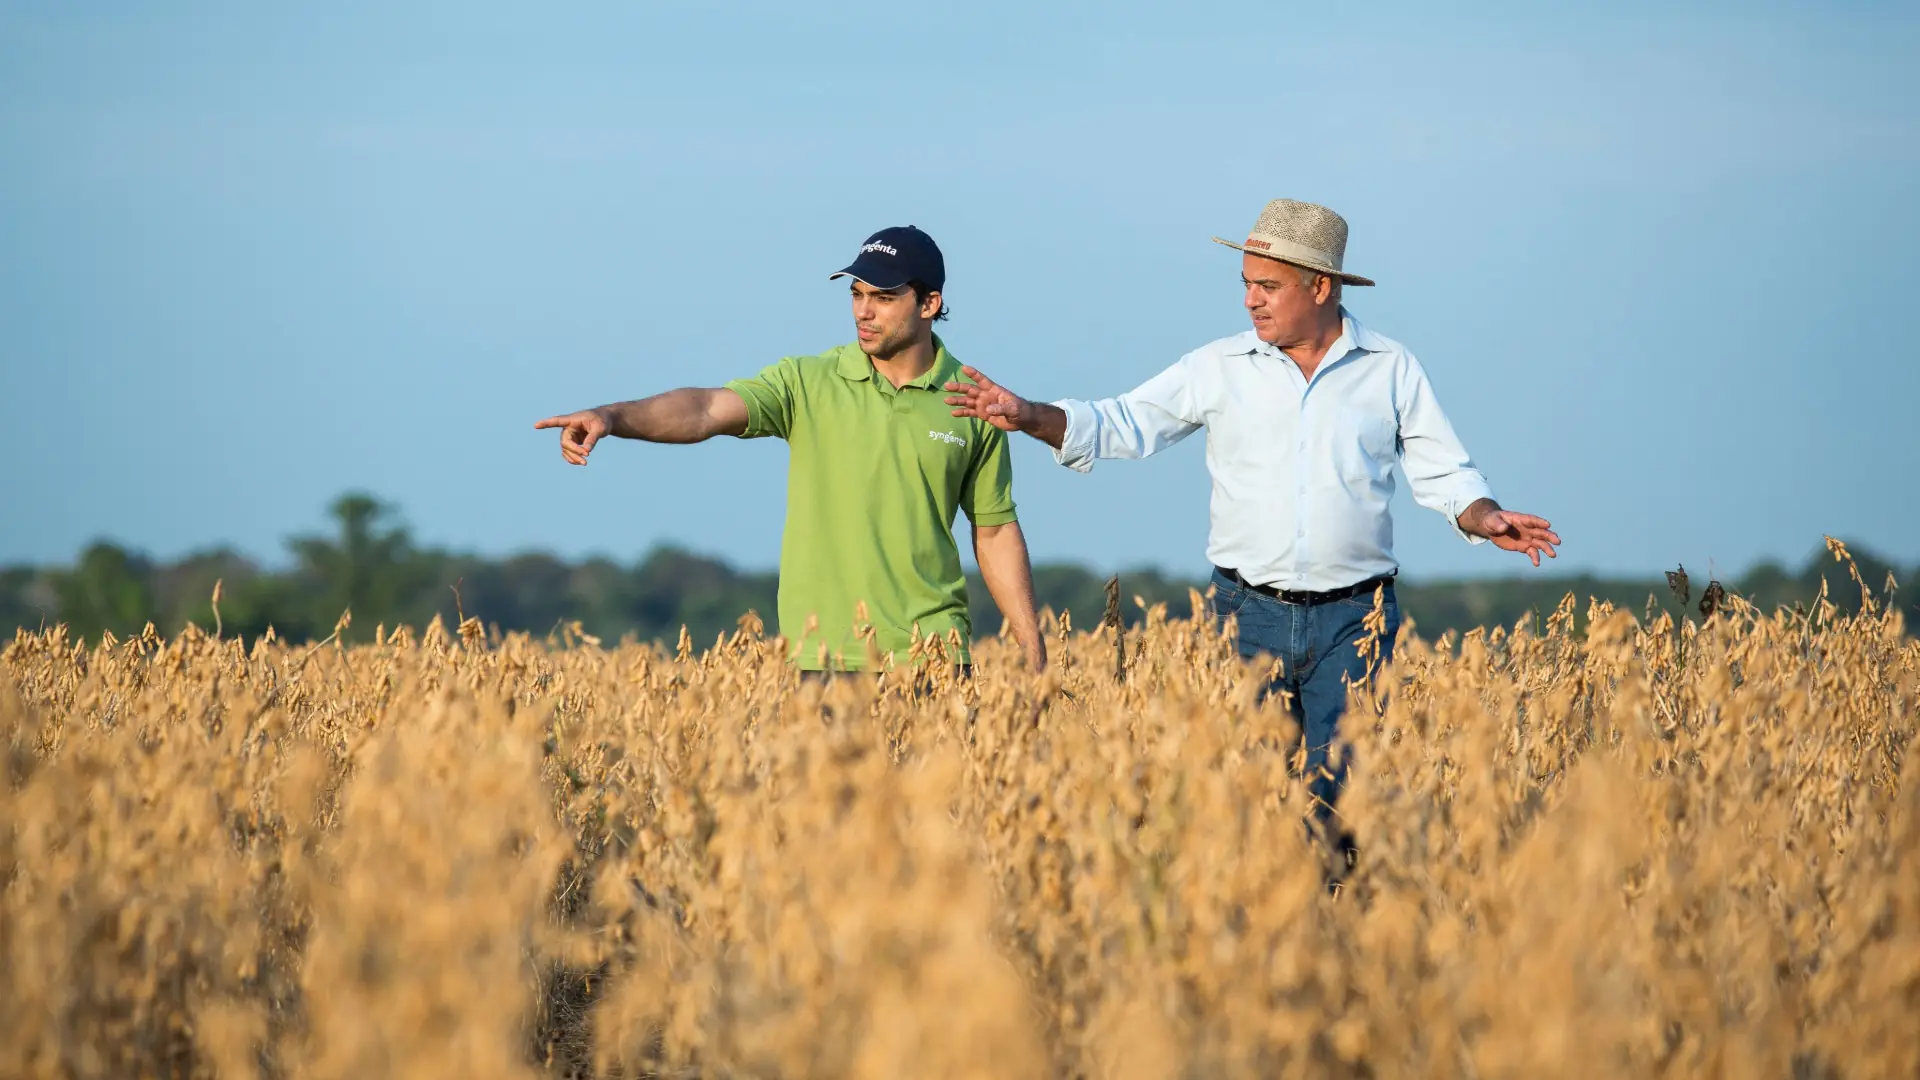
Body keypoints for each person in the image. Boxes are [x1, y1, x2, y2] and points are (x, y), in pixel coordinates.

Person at [944, 198, 1558, 870]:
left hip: (1358, 619)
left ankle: (1337, 937)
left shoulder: (1390, 368)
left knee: (1343, 802)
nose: (1250, 303)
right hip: (1245, 616)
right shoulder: (1219, 367)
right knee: (1248, 799)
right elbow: (1122, 424)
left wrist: (1484, 515)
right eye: (1246, 286)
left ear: (1319, 287)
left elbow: (1447, 473)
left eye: (1268, 287)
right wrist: (1027, 413)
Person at [537, 225, 1047, 678]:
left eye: (885, 297)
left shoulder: (973, 399)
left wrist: (1033, 647)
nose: (863, 311)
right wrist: (612, 418)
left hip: (932, 658)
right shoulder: (806, 382)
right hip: (822, 659)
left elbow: (995, 529)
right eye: (856, 293)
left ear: (929, 304)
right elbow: (705, 409)